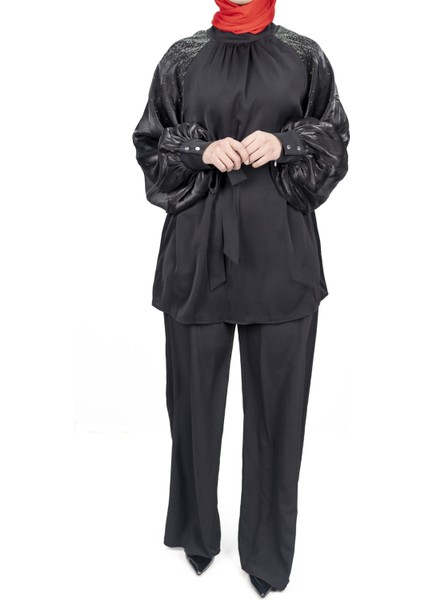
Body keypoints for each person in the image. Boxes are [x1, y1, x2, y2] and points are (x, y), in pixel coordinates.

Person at [132, 0, 350, 596]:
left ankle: (267, 552)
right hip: (197, 253)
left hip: (281, 255)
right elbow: (150, 143)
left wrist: (285, 142)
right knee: (192, 403)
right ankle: (196, 532)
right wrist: (199, 152)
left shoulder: (304, 55)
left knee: (280, 410)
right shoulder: (182, 58)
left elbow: (335, 139)